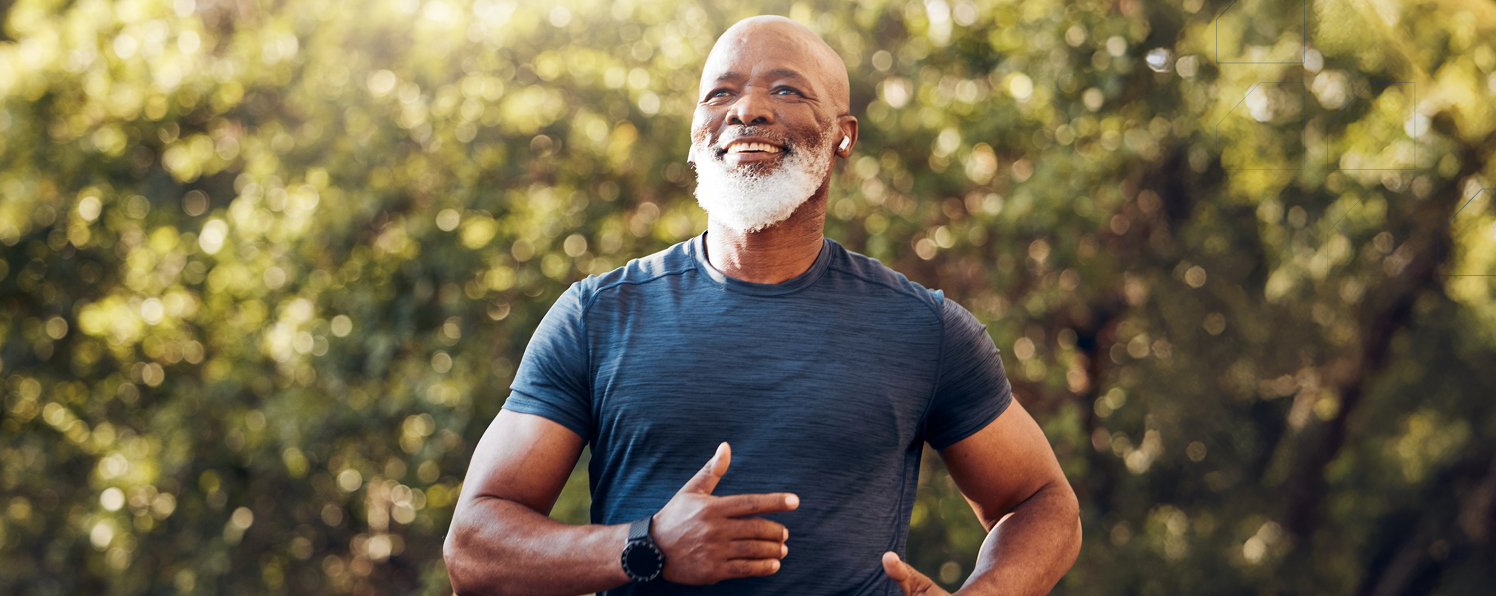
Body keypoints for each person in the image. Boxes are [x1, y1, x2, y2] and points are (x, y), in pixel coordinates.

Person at [442, 15, 1082, 596]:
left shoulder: (924, 329)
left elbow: (1042, 501)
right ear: (695, 131)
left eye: (786, 90)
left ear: (843, 137)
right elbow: (473, 551)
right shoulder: (597, 317)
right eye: (720, 92)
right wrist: (647, 546)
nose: (747, 109)